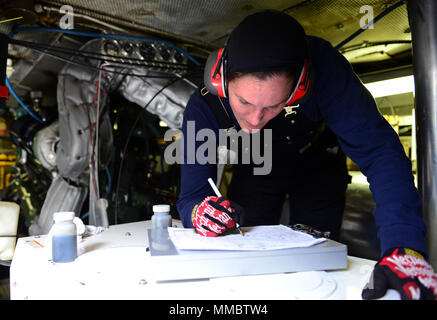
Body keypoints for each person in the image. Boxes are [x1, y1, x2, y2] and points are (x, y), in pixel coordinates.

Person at [176, 10, 436, 299]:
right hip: (257, 164)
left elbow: (380, 152)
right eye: (244, 102)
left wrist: (405, 245)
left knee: (319, 266)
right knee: (241, 251)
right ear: (220, 80)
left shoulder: (327, 70)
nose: (254, 120)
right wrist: (199, 213)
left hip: (318, 162)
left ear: (301, 86)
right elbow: (192, 196)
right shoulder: (204, 105)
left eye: (274, 105)